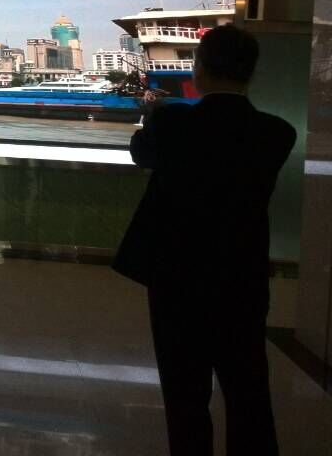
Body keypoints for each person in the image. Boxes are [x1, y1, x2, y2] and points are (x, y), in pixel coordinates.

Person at [112, 24, 296, 456]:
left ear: (200, 70)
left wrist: (150, 115)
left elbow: (141, 154)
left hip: (176, 277)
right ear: (251, 72)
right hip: (243, 278)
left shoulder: (173, 121)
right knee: (248, 391)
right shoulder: (277, 133)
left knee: (185, 396)